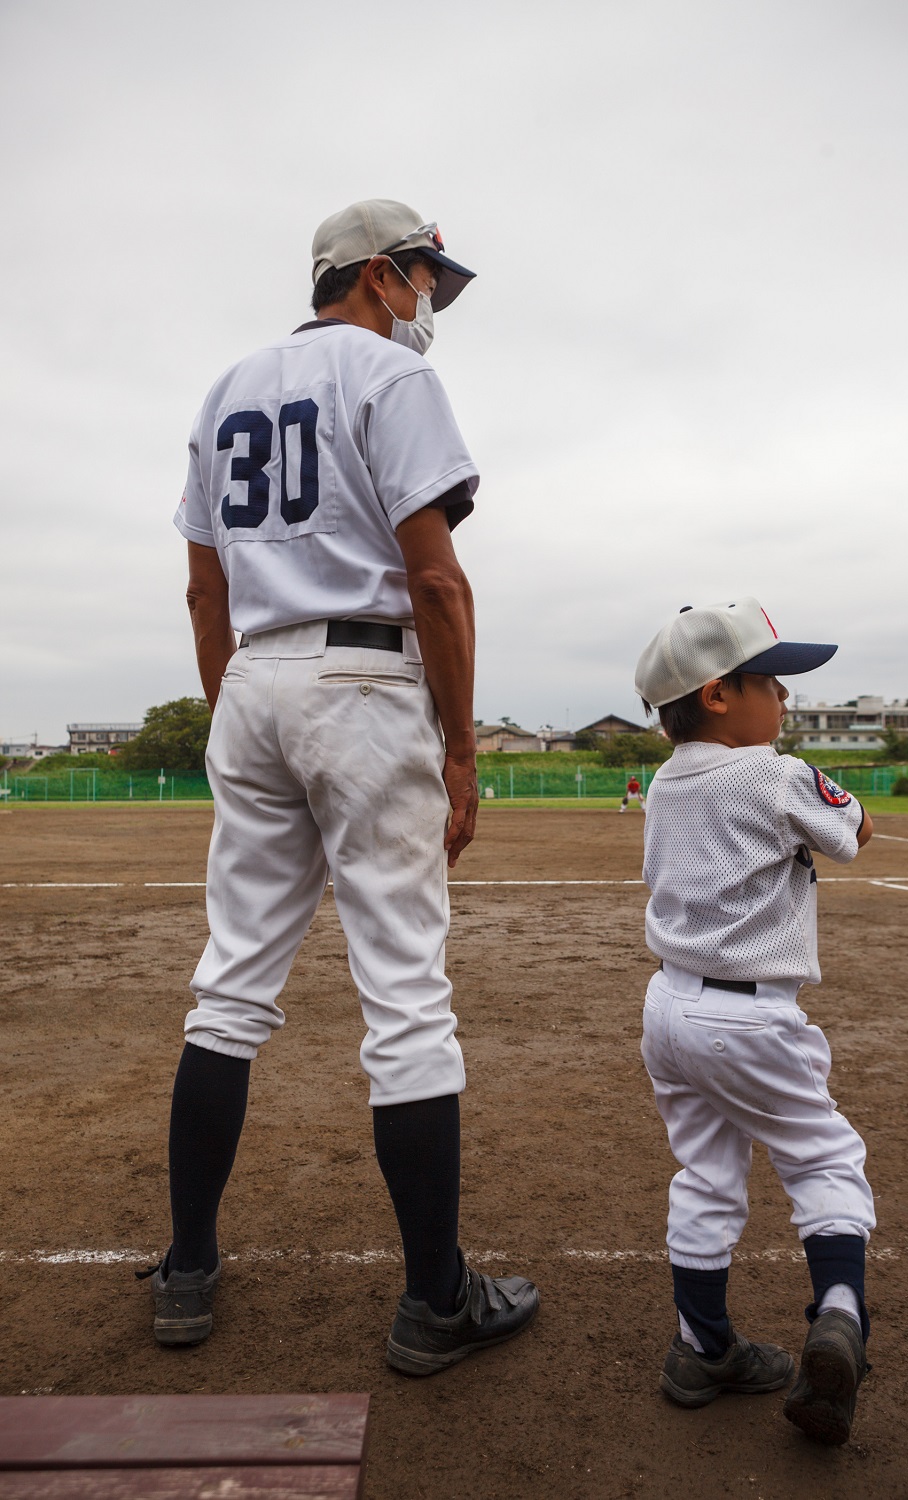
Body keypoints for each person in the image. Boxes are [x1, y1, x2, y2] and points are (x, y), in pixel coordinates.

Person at [138, 199, 539, 1376]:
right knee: (406, 995)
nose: (430, 301)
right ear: (373, 273)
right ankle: (433, 1300)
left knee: (230, 990)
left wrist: (237, 710)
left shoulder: (226, 388)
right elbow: (438, 583)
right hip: (365, 677)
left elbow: (205, 592)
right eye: (424, 276)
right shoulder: (390, 380)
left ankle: (188, 1272)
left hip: (254, 674)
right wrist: (460, 749)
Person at [633, 597, 875, 1445]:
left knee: (704, 1174)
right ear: (716, 695)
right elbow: (857, 832)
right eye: (769, 681)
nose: (784, 698)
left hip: (669, 1009)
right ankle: (841, 1315)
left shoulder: (664, 781)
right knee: (824, 1158)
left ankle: (703, 1345)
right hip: (752, 1019)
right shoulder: (774, 773)